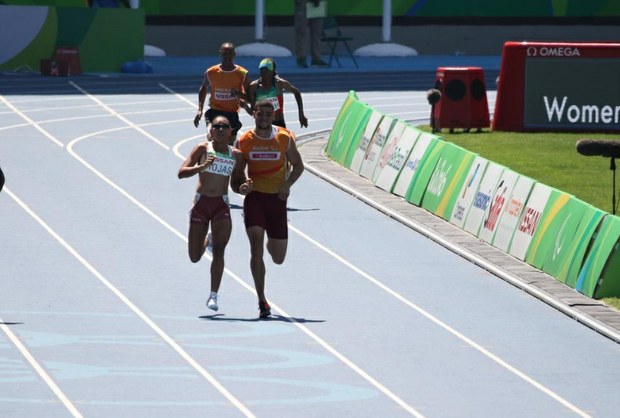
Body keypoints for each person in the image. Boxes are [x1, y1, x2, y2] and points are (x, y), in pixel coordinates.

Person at [231, 99, 305, 318]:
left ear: (273, 116)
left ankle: (273, 238)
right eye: (260, 114)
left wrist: (287, 185)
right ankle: (262, 300)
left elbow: (299, 166)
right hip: (254, 200)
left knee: (278, 257)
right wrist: (242, 188)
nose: (263, 118)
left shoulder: (284, 138)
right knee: (256, 248)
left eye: (267, 115)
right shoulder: (244, 141)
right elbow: (235, 180)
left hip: (277, 202)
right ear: (253, 115)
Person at [178, 116, 245, 312]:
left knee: (221, 251)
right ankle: (207, 242)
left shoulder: (237, 155)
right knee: (194, 257)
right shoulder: (202, 149)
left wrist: (244, 188)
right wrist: (202, 166)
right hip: (201, 204)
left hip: (221, 206)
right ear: (211, 131)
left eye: (225, 127)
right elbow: (181, 172)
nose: (221, 129)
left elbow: (236, 184)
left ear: (231, 132)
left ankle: (213, 295)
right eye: (217, 126)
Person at [194, 42, 252, 144]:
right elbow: (203, 89)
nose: (227, 56)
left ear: (234, 54)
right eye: (225, 53)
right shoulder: (211, 72)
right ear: (220, 53)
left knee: (229, 144)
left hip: (232, 113)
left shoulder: (242, 73)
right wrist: (200, 110)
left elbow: (250, 96)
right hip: (214, 111)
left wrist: (240, 95)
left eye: (230, 53)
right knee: (212, 138)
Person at [248, 58, 308, 129]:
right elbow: (253, 110)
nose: (264, 73)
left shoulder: (280, 83)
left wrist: (301, 114)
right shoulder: (254, 87)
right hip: (262, 124)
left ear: (273, 71)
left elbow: (296, 92)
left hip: (278, 123)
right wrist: (245, 106)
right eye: (262, 70)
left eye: (266, 71)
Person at [294, 0, 328, 68]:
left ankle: (316, 58)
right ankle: (301, 57)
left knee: (317, 32)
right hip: (303, 3)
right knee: (301, 31)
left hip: (319, 2)